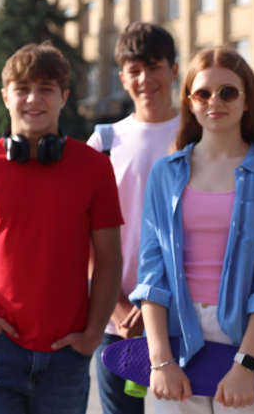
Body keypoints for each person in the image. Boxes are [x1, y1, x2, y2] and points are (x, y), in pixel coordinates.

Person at [130, 46, 254, 413]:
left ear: (247, 101)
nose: (214, 101)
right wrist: (161, 360)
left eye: (228, 91)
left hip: (247, 338)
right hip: (175, 335)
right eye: (202, 93)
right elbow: (151, 274)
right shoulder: (165, 173)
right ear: (189, 101)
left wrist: (246, 364)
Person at [0, 42, 124, 414]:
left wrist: (93, 335)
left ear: (64, 97)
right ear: (5, 96)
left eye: (46, 88)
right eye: (22, 88)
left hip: (66, 357)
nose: (33, 98)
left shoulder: (94, 168)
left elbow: (108, 257)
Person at [86, 22, 179, 414]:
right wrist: (117, 307)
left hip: (188, 320)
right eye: (134, 70)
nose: (145, 78)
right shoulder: (104, 144)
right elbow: (82, 237)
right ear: (122, 77)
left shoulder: (200, 135)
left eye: (154, 66)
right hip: (119, 322)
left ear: (174, 70)